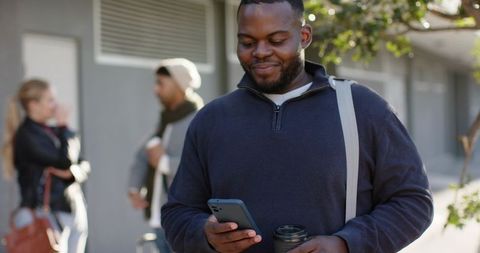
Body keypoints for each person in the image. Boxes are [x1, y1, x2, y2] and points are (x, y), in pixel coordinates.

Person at [161, 1, 434, 253]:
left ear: (304, 36)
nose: (261, 52)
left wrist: (346, 244)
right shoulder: (212, 119)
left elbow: (413, 202)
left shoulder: (363, 108)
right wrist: (205, 235)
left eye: (276, 40)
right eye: (247, 42)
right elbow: (177, 213)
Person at [2, 79, 90, 253]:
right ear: (33, 105)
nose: (55, 105)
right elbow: (64, 161)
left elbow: (83, 164)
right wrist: (65, 127)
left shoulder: (53, 131)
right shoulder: (27, 135)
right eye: (50, 100)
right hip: (47, 214)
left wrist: (73, 173)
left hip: (72, 208)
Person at [127, 58, 203, 252]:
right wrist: (134, 188)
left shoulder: (199, 120)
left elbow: (205, 167)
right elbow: (142, 154)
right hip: (160, 216)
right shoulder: (166, 120)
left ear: (179, 84)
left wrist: (164, 162)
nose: (156, 89)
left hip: (185, 217)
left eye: (161, 83)